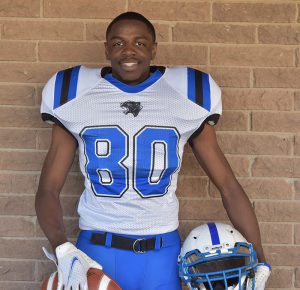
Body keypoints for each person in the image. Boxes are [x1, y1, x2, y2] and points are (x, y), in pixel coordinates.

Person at [35, 11, 270, 290]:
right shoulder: (74, 95)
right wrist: (62, 248)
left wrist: (261, 260)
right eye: (119, 43)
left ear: (154, 49)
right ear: (107, 49)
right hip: (96, 252)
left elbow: (228, 186)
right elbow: (48, 188)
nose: (129, 51)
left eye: (140, 42)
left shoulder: (186, 96)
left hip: (162, 252)